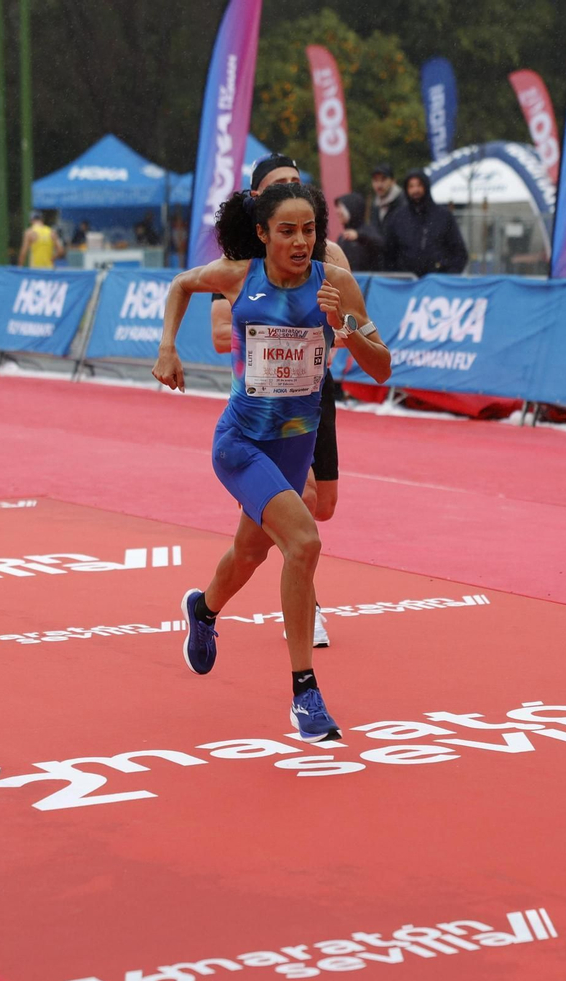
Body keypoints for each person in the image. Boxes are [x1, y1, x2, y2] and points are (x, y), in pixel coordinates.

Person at [153, 183, 391, 741]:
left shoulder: (336, 284)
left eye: (309, 230)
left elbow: (381, 369)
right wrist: (168, 347)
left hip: (295, 447)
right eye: (287, 231)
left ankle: (204, 610)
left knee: (249, 552)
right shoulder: (240, 276)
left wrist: (348, 328)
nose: (301, 241)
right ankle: (305, 693)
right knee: (304, 542)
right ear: (262, 235)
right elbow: (180, 284)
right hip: (240, 443)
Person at [211, 153, 351, 649]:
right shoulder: (239, 264)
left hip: (314, 395)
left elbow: (351, 320)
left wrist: (342, 331)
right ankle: (307, 607)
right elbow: (217, 332)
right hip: (264, 403)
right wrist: (272, 329)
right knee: (303, 511)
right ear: (259, 203)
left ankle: (212, 600)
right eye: (281, 186)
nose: (293, 189)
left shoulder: (327, 255)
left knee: (323, 505)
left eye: (298, 183)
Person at [382, 170, 468, 276]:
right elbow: (388, 253)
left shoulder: (443, 216)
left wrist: (448, 276)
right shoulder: (397, 217)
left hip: (438, 285)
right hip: (406, 285)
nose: (415, 190)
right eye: (411, 186)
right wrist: (396, 277)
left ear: (426, 187)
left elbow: (459, 253)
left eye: (419, 185)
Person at [334, 192, 381, 273]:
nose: (337, 211)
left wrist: (359, 236)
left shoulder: (368, 231)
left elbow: (380, 245)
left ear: (352, 209)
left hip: (368, 283)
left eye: (341, 207)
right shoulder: (342, 237)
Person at [368, 163, 405, 235]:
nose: (379, 185)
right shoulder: (375, 204)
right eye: (375, 180)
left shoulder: (403, 202)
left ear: (393, 181)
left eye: (383, 180)